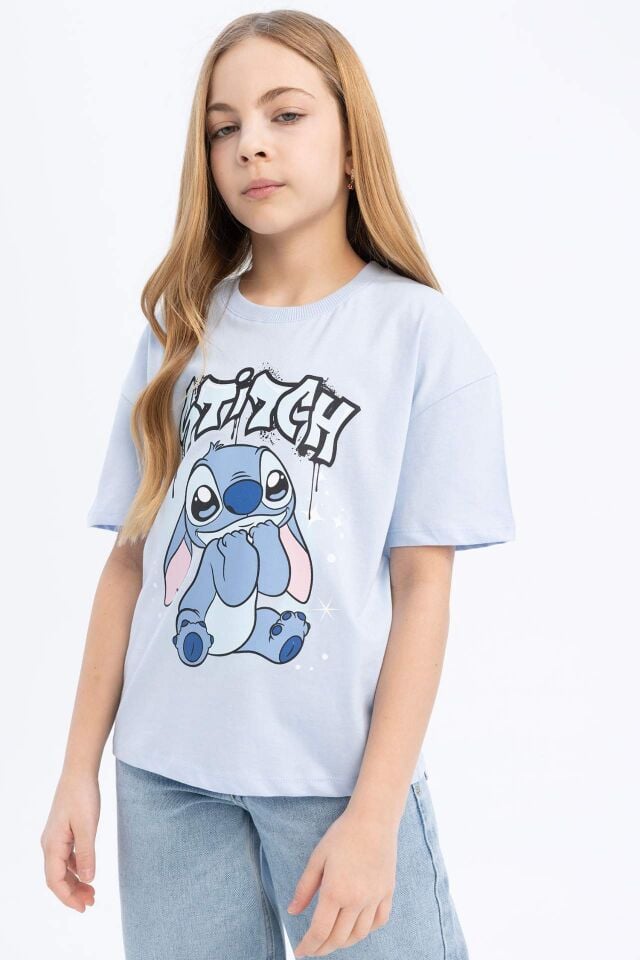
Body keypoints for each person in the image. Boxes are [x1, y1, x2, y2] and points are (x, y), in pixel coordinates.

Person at [40, 10, 516, 959]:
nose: (250, 143)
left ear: (352, 143)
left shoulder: (420, 338)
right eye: (224, 128)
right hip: (166, 786)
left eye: (285, 114)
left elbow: (424, 591)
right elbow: (130, 567)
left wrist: (376, 815)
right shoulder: (180, 335)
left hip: (338, 785)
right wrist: (76, 771)